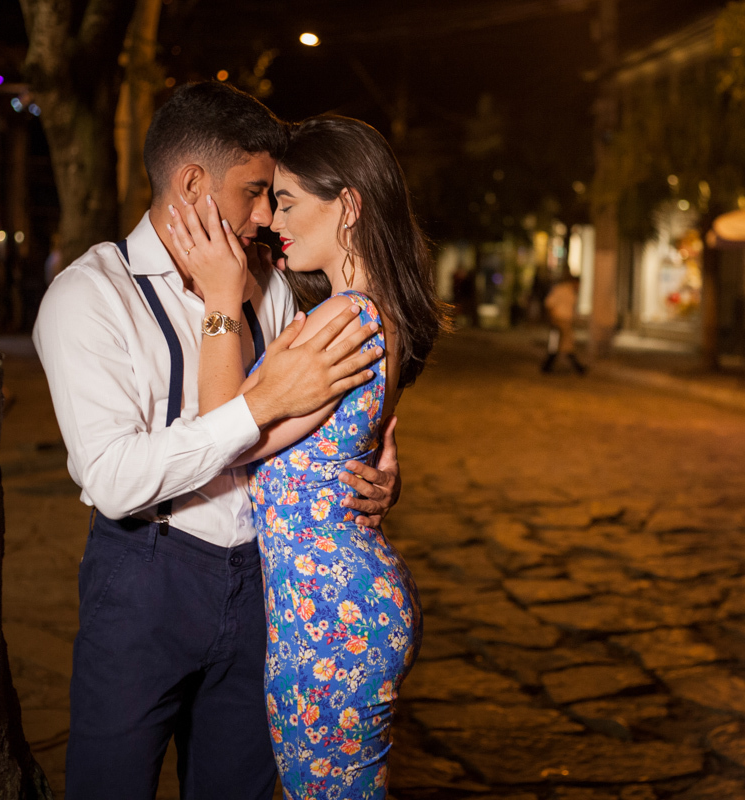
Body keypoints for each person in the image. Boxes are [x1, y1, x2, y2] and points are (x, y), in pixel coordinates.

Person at [33, 83, 401, 800]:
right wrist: (257, 407)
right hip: (148, 577)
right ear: (193, 185)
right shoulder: (90, 295)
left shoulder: (271, 284)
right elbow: (111, 477)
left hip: (268, 582)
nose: (266, 215)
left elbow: (336, 416)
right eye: (255, 191)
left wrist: (375, 473)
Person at [166, 114, 444, 797]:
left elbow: (221, 427)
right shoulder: (370, 313)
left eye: (287, 200)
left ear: (347, 204)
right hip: (334, 606)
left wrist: (221, 296)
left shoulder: (341, 320)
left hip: (330, 618)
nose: (272, 218)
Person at [541, 271, 585, 374]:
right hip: (559, 320)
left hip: (566, 321)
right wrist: (552, 319)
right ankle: (578, 368)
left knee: (563, 345)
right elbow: (549, 304)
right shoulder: (561, 290)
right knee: (559, 344)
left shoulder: (572, 292)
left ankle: (548, 367)